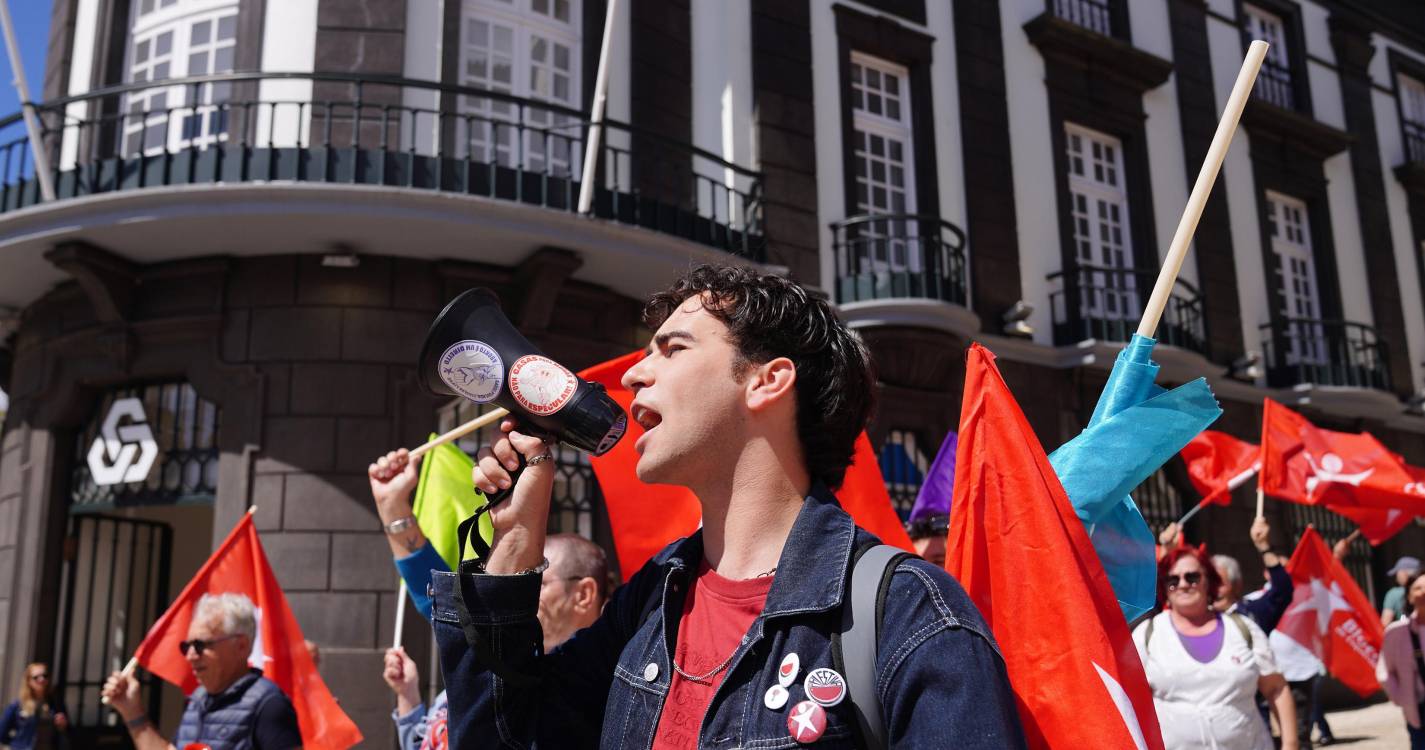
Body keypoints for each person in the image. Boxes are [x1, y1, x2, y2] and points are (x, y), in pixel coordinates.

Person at [434, 265, 1026, 748]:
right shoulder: (650, 601)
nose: (635, 374)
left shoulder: (910, 614)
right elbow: (509, 739)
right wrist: (513, 546)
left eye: (673, 349)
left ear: (768, 381)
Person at [368, 448, 613, 750]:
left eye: (535, 580)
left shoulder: (596, 698)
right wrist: (392, 507)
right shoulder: (488, 658)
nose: (512, 593)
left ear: (584, 594)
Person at [1134, 546, 1298, 750]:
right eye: (1173, 580)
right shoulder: (1148, 635)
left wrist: (1290, 744)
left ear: (1209, 581)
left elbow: (1276, 688)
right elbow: (1129, 700)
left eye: (1192, 577)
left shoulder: (1243, 629)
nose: (1183, 584)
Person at [101, 593, 302, 750]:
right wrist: (131, 711)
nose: (190, 656)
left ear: (241, 646)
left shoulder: (269, 704)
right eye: (186, 647)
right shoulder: (197, 700)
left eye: (200, 645)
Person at [1377, 570, 1425, 749]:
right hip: (1419, 709)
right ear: (1409, 596)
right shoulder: (1397, 633)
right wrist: (1403, 698)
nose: (1424, 592)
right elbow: (1385, 671)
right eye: (1418, 588)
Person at [0, 663, 68, 749]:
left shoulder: (56, 704)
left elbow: (67, 732)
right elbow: (1, 733)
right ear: (28, 681)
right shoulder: (17, 706)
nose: (42, 679)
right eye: (36, 677)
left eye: (45, 676)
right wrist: (17, 744)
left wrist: (63, 726)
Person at [1382, 555, 1420, 626]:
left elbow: (1385, 622)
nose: (1396, 578)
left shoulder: (1393, 594)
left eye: (1397, 573)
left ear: (1403, 573)